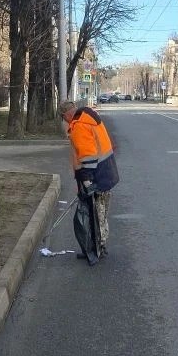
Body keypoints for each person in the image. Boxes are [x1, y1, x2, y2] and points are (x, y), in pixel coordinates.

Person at [59, 99, 119, 257]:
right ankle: (99, 246)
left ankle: (97, 249)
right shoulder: (89, 118)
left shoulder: (79, 125)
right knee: (101, 212)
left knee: (97, 213)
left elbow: (87, 155)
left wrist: (86, 180)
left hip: (96, 176)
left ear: (67, 114)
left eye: (63, 117)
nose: (64, 121)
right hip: (107, 172)